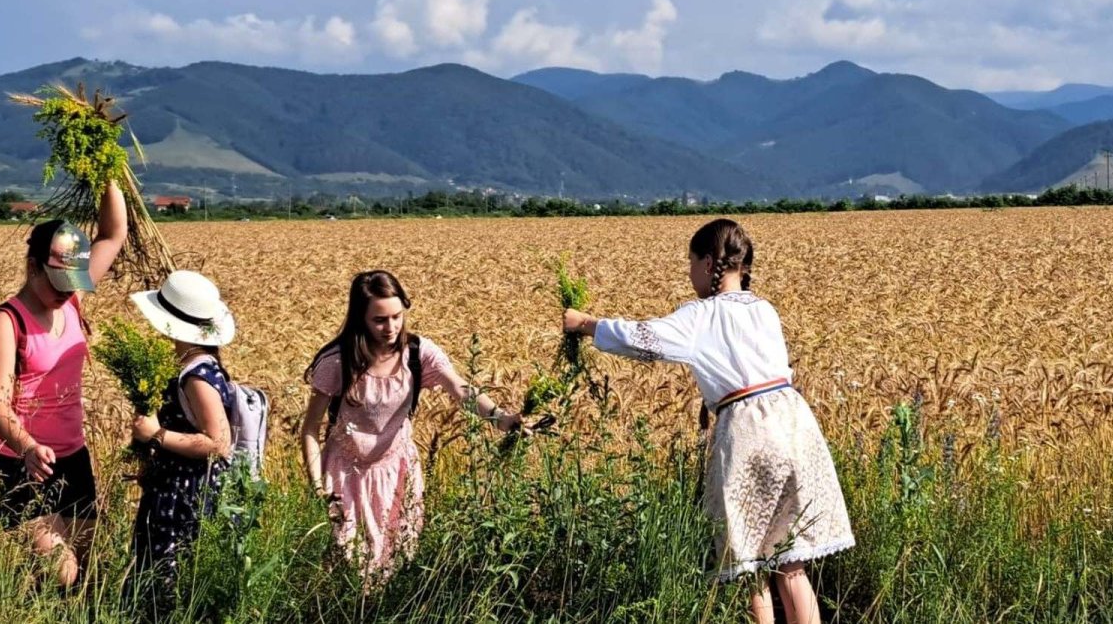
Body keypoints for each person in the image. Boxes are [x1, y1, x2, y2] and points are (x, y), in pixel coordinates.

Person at [561, 218, 854, 624]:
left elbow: (644, 338)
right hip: (796, 424)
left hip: (748, 430)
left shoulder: (700, 315)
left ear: (706, 263)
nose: (688, 272)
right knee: (792, 559)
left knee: (749, 562)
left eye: (690, 262)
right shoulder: (764, 310)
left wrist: (586, 324)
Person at [300, 269, 526, 579]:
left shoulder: (418, 354)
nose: (390, 327)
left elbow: (460, 390)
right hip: (346, 476)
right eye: (379, 320)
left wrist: (501, 418)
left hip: (398, 473)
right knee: (348, 567)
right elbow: (310, 428)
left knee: (396, 560)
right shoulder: (338, 361)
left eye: (396, 316)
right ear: (360, 318)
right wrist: (318, 486)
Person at [0, 181, 127, 590]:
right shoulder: (8, 321)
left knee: (90, 567)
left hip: (72, 456)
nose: (65, 292)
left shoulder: (72, 299)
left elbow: (113, 234)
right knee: (62, 571)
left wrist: (105, 167)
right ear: (33, 266)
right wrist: (26, 446)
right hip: (15, 462)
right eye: (57, 281)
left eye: (71, 282)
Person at [124, 270, 238, 613]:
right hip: (180, 490)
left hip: (184, 498)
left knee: (167, 589)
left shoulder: (195, 377)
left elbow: (218, 443)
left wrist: (155, 435)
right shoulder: (199, 364)